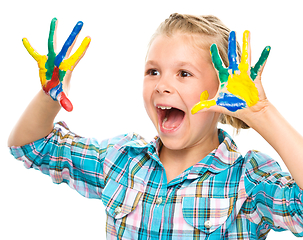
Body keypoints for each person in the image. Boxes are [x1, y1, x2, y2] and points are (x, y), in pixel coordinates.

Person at [8, 13, 303, 239]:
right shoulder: (120, 159)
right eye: (153, 71)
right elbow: (30, 146)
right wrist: (49, 97)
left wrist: (261, 113)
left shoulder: (248, 180)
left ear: (222, 91)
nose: (162, 85)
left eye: (184, 73)